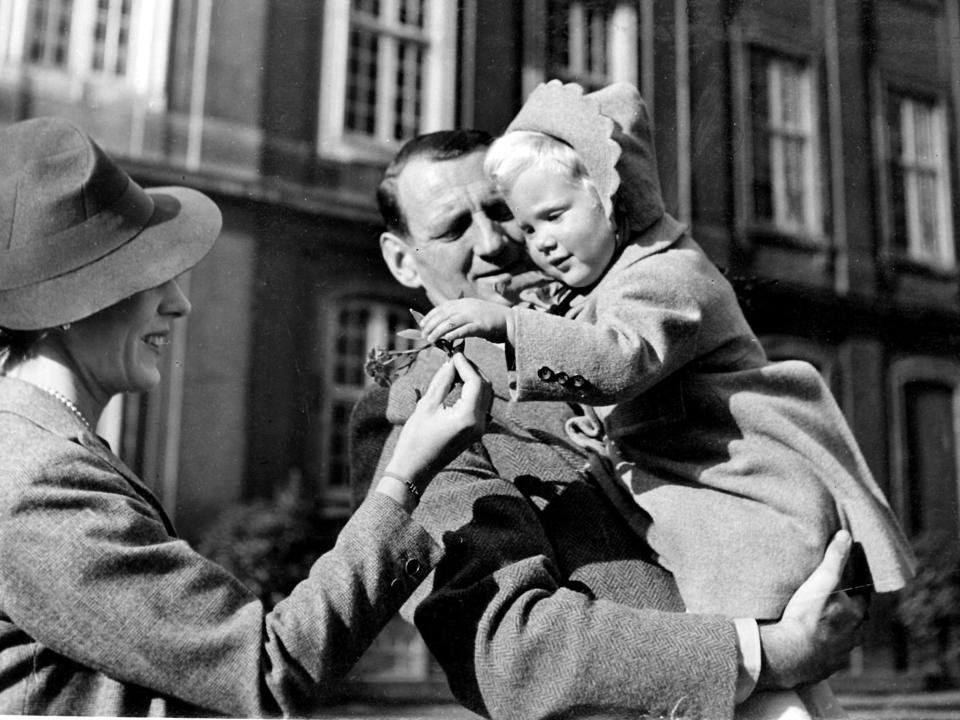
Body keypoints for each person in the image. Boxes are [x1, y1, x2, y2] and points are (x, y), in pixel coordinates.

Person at [350, 126, 868, 720]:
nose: (494, 243)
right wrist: (764, 652)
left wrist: (831, 569)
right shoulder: (415, 407)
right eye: (452, 228)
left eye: (501, 211)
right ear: (400, 258)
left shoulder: (616, 316)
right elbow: (508, 647)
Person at [0, 116, 493, 717]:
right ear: (66, 305)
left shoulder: (43, 447)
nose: (178, 303)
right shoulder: (39, 481)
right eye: (143, 278)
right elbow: (267, 671)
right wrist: (405, 479)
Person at [417, 80, 915, 621]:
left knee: (756, 635)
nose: (541, 243)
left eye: (555, 216)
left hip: (738, 483)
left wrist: (509, 324)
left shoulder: (668, 274)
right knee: (755, 650)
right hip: (693, 478)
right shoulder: (616, 273)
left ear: (612, 201)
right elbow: (578, 321)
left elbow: (621, 358)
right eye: (530, 228)